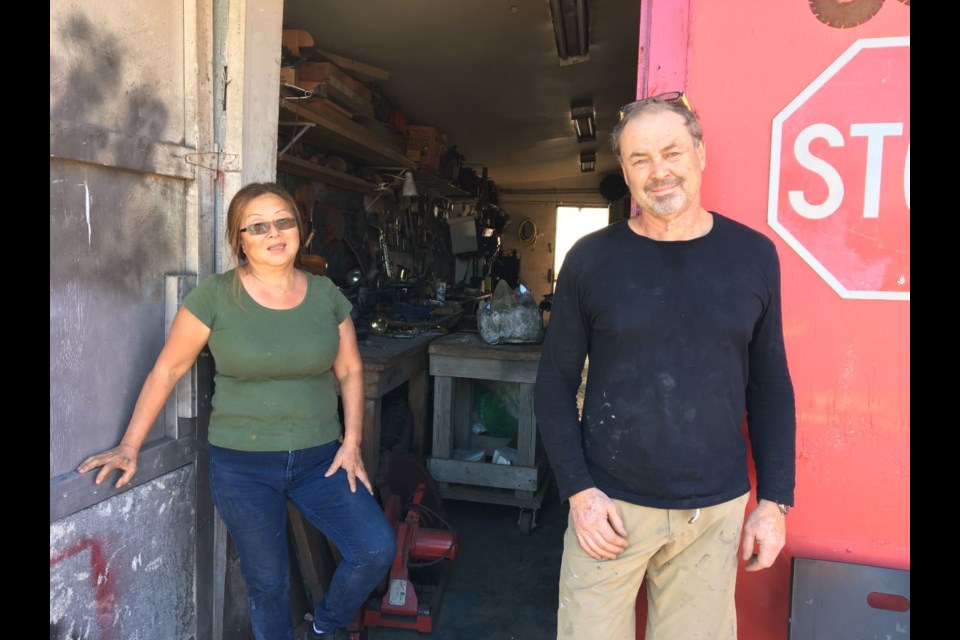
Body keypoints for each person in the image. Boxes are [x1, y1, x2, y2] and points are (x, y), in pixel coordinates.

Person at [77, 182, 396, 640]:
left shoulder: (327, 296)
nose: (274, 233)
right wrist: (130, 445)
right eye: (258, 226)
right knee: (268, 583)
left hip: (320, 459)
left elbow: (349, 369)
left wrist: (352, 443)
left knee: (374, 548)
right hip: (243, 465)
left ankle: (324, 629)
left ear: (299, 229)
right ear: (239, 238)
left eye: (284, 221)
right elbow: (167, 371)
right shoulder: (216, 296)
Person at [534, 93, 796, 640]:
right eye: (639, 159)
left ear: (699, 153)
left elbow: (770, 383)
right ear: (625, 172)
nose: (658, 173)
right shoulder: (590, 260)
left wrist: (775, 501)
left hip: (714, 513)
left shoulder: (753, 256)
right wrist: (578, 492)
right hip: (608, 508)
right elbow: (554, 385)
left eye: (671, 152)